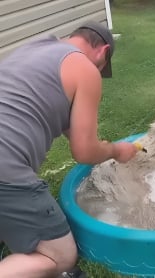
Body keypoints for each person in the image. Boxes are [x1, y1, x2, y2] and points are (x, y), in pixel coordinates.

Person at [0, 21, 139, 277]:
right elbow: (84, 152)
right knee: (60, 257)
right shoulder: (85, 68)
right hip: (4, 169)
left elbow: (71, 129)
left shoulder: (35, 48)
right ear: (103, 51)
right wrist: (117, 151)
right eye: (101, 67)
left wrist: (101, 145)